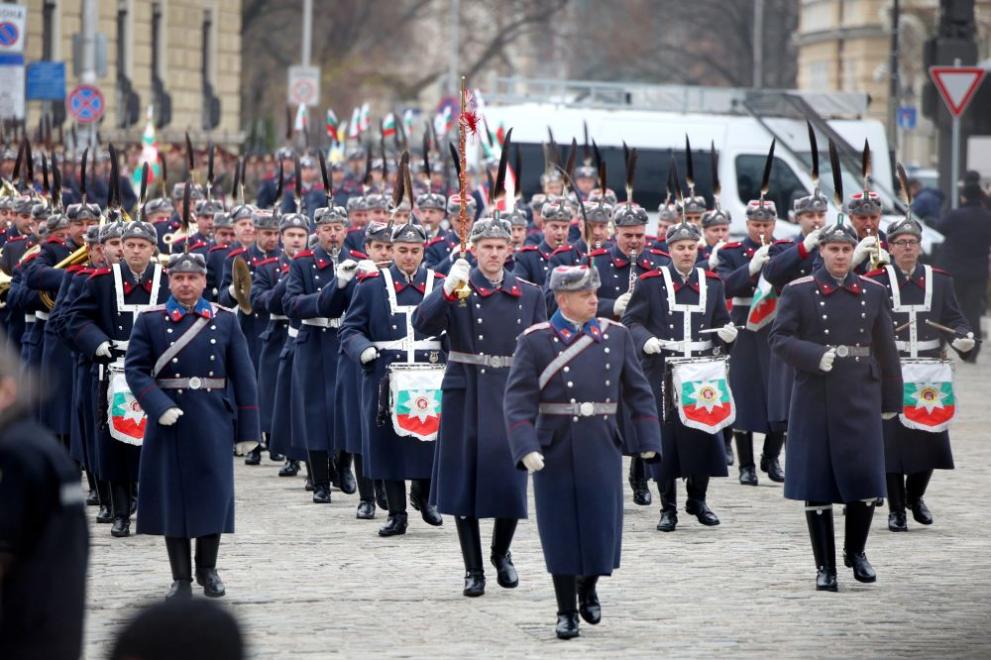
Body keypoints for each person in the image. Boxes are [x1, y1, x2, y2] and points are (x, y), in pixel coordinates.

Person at [504, 264, 661, 640]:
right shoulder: (536, 340)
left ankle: (588, 585)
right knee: (560, 529)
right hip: (554, 445)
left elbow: (638, 392)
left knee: (599, 524)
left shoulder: (616, 335)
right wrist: (525, 446)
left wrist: (648, 441)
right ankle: (565, 610)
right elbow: (518, 400)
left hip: (601, 441)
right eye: (585, 295)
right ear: (562, 299)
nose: (595, 300)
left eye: (595, 293)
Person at [413, 216, 546, 597]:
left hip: (510, 391)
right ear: (473, 250)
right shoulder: (457, 287)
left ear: (509, 251)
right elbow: (423, 324)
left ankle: (501, 552)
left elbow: (540, 345)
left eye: (499, 246)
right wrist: (445, 290)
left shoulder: (530, 293)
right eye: (485, 246)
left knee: (510, 480)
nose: (492, 253)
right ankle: (473, 569)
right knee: (464, 485)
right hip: (466, 390)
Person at [768, 222, 901, 591]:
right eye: (833, 249)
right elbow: (779, 339)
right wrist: (813, 356)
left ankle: (855, 552)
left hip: (861, 391)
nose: (840, 256)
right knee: (818, 481)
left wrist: (892, 399)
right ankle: (824, 565)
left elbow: (887, 349)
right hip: (816, 393)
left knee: (865, 477)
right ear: (821, 251)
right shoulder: (799, 292)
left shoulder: (872, 292)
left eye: (846, 250)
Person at [124, 252, 260, 599]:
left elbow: (243, 376)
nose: (186, 284)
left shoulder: (225, 320)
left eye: (193, 278)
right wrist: (158, 405)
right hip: (169, 419)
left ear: (204, 282)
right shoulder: (151, 321)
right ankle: (181, 577)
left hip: (212, 416)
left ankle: (208, 569)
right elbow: (136, 370)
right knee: (174, 498)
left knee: (212, 496)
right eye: (179, 278)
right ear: (170, 280)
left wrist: (248, 431)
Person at [624, 221, 737, 532]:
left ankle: (698, 500)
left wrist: (727, 335)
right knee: (667, 439)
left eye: (691, 247)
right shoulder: (650, 283)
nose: (687, 252)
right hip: (662, 370)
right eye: (680, 247)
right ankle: (668, 507)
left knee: (703, 432)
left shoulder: (712, 283)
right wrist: (644, 339)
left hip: (702, 372)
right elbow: (631, 320)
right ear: (669, 250)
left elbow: (721, 323)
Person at [866, 216, 974, 531]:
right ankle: (896, 509)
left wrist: (962, 335)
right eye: (900, 242)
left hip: (931, 371)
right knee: (891, 441)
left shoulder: (940, 280)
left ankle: (916, 496)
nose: (908, 247)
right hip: (892, 369)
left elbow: (956, 318)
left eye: (912, 242)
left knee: (930, 436)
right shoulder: (876, 281)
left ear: (920, 245)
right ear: (890, 247)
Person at [64, 220, 169, 538]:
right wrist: (97, 342)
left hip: (157, 373)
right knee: (115, 443)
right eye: (130, 245)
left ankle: (154, 510)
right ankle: (121, 512)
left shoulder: (167, 281)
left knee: (156, 443)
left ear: (153, 248)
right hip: (113, 371)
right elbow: (74, 317)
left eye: (143, 245)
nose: (136, 251)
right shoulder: (100, 281)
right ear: (121, 247)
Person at [339, 221, 445, 536]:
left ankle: (425, 497)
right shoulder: (372, 285)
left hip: (430, 373)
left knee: (429, 438)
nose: (408, 257)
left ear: (423, 251)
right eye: (402, 250)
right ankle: (397, 513)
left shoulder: (438, 285)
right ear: (393, 251)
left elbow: (453, 326)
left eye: (415, 251)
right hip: (386, 373)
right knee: (389, 445)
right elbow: (351, 328)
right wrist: (363, 349)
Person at [0, 341, 89, 660]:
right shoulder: (38, 445)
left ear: (7, 390)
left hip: (22, 626)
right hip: (55, 621)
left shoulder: (13, 453)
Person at [283, 205, 356, 503]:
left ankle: (343, 465)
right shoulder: (303, 263)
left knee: (345, 408)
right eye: (327, 229)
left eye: (338, 228)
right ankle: (320, 480)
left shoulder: (357, 260)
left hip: (345, 339)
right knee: (315, 412)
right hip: (313, 338)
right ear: (318, 233)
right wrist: (328, 294)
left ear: (346, 230)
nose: (333, 234)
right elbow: (291, 304)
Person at [715, 200, 785, 486]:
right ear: (747, 225)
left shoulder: (783, 250)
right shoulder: (731, 252)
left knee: (777, 393)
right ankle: (746, 465)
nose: (761, 230)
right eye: (756, 225)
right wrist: (751, 268)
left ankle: (771, 456)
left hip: (774, 324)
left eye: (766, 225)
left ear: (774, 224)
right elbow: (724, 287)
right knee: (743, 394)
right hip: (744, 323)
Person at [934, 171, 991, 363]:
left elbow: (940, 227)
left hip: (953, 271)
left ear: (963, 196)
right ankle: (971, 352)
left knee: (946, 310)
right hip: (978, 272)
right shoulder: (987, 217)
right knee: (972, 311)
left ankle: (937, 348)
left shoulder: (956, 215)